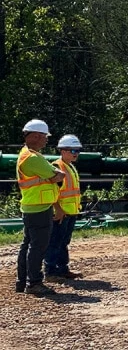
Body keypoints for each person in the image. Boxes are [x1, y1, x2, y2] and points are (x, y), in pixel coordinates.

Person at [14, 119, 64, 295]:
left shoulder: (26, 154)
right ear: (36, 136)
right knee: (38, 246)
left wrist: (54, 175)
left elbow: (53, 175)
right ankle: (34, 282)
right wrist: (56, 174)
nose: (46, 140)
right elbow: (57, 175)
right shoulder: (33, 158)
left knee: (28, 245)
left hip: (31, 206)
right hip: (39, 207)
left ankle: (22, 281)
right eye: (45, 136)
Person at [45, 134, 84, 282]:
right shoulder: (57, 167)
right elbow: (51, 192)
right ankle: (50, 272)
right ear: (63, 151)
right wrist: (58, 210)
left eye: (77, 151)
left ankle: (62, 269)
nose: (76, 154)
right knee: (55, 242)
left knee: (63, 242)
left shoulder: (70, 167)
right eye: (73, 150)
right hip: (61, 213)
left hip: (70, 212)